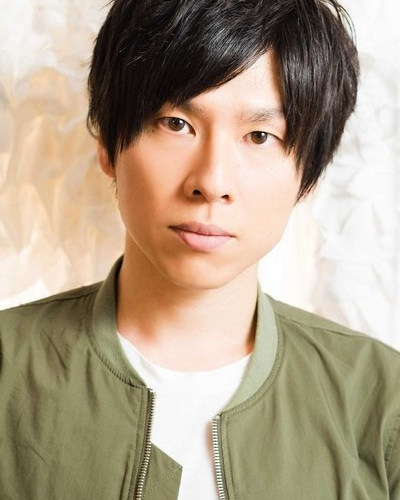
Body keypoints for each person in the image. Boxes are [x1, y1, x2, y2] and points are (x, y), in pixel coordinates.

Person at [0, 0, 399, 498]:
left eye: (260, 136)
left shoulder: (383, 401)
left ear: (309, 175)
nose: (212, 182)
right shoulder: (8, 367)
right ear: (108, 143)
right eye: (176, 123)